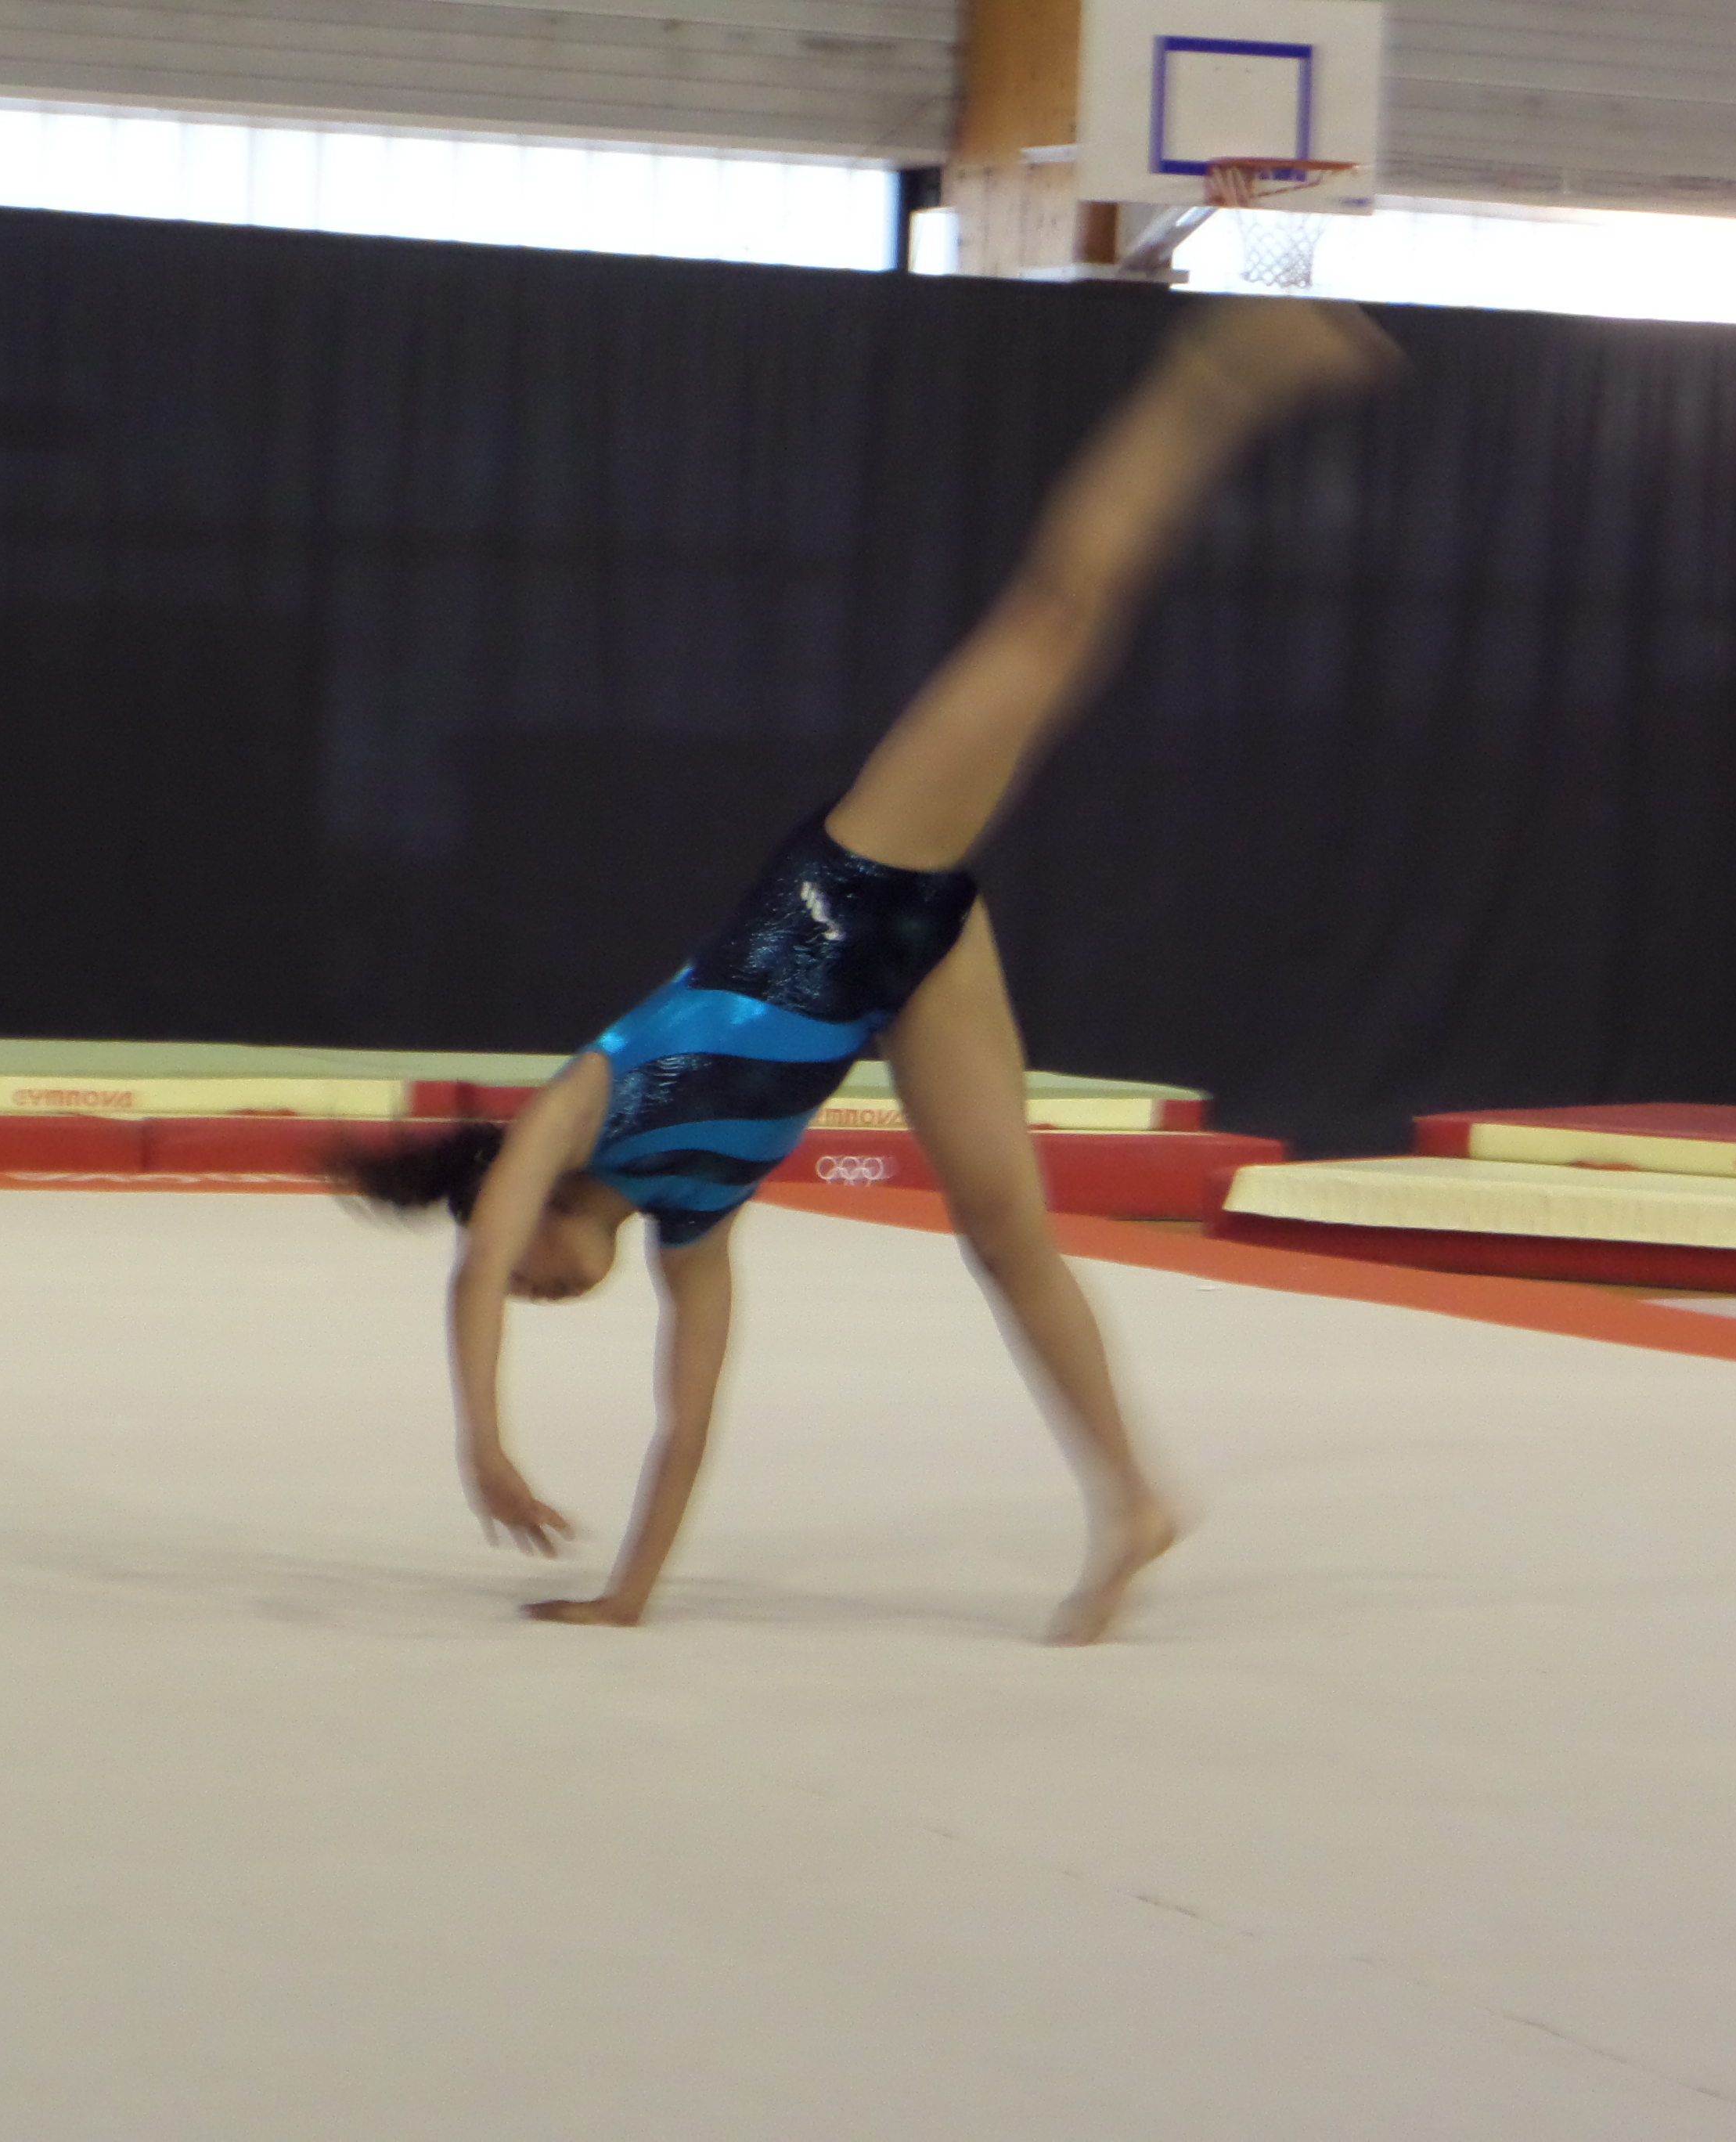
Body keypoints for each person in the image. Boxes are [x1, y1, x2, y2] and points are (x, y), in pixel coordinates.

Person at [341, 298, 1401, 1643]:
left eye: (527, 1271)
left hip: (855, 873)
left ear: (527, 1201)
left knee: (1054, 617)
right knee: (1007, 1238)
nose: (536, 1292)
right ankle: (1133, 1502)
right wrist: (624, 1598)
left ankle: (1219, 379)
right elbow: (685, 1422)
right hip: (916, 967)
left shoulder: (580, 1104)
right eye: (536, 1293)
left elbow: (474, 1271)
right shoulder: (691, 1224)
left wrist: (484, 1445)